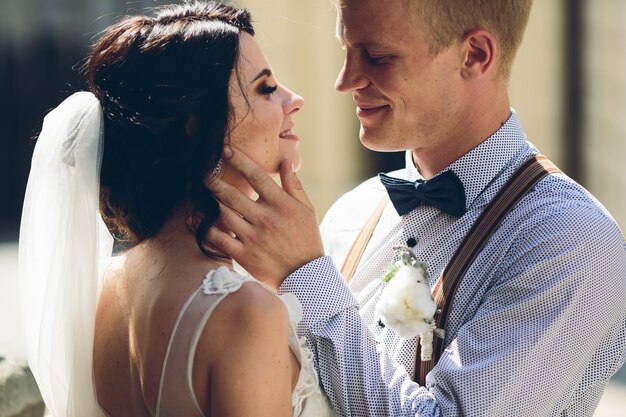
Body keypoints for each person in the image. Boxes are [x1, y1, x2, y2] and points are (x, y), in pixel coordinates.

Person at [206, 0, 626, 415]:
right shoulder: (350, 215)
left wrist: (307, 276)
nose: (345, 80)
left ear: (475, 55)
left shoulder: (574, 240)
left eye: (377, 56)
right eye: (346, 50)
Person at [19, 2, 336, 416]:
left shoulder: (103, 287)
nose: (294, 100)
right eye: (266, 88)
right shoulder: (244, 313)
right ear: (197, 124)